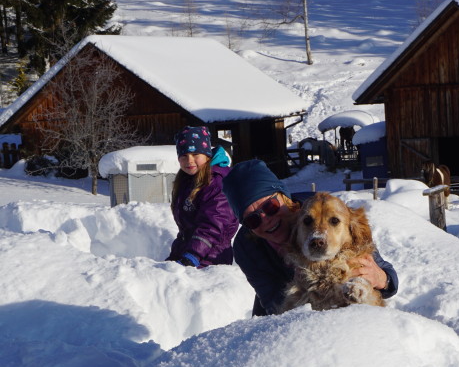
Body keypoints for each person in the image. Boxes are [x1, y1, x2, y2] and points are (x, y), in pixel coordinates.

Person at [222, 158, 398, 315]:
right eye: (252, 220)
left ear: (284, 196)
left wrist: (382, 278)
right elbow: (273, 303)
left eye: (270, 206)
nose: (266, 220)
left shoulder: (320, 208)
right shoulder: (246, 247)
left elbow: (384, 273)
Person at [167, 126, 237, 267]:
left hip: (211, 258)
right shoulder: (187, 180)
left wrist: (192, 256)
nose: (189, 160)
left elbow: (213, 225)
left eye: (195, 154)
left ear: (207, 155)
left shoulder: (217, 183)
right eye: (184, 156)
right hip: (189, 252)